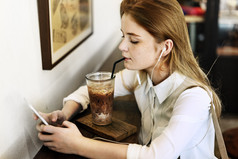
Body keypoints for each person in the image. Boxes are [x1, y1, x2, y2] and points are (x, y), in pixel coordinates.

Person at [35, 0, 222, 158]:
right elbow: (92, 88)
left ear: (165, 48)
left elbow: (157, 155)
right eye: (123, 36)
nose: (121, 46)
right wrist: (64, 114)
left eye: (134, 40)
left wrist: (78, 145)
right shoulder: (141, 74)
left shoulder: (193, 98)